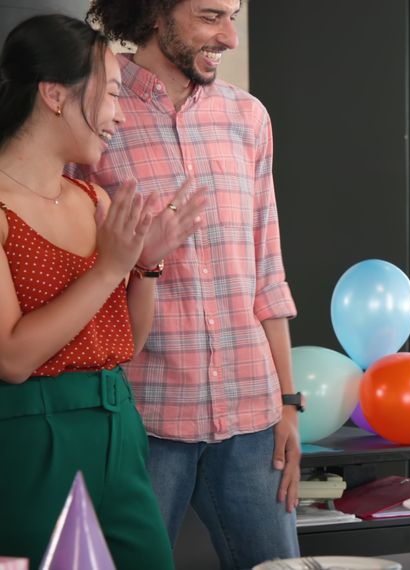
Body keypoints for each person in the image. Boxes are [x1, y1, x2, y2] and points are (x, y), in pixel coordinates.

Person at [70, 1, 302, 567]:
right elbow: (70, 267)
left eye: (234, 16)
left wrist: (289, 403)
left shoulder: (249, 118)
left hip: (252, 414)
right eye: (210, 16)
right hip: (144, 418)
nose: (229, 37)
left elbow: (266, 266)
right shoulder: (96, 107)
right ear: (155, 11)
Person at [0, 14, 204, 568]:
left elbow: (128, 344)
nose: (117, 114)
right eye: (111, 93)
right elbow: (13, 358)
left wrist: (148, 267)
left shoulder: (96, 201)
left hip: (118, 422)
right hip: (29, 436)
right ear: (54, 95)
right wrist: (111, 270)